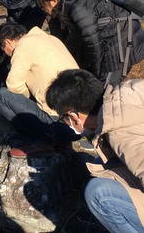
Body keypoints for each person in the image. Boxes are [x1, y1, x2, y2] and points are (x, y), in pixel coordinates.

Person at [46, 69, 144, 233]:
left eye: (63, 118)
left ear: (73, 115)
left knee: (99, 193)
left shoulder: (121, 133)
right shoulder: (128, 93)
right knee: (102, 166)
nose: (66, 124)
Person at [34, 0, 144, 87]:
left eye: (44, 7)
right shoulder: (72, 1)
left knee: (106, 88)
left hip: (121, 40)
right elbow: (76, 37)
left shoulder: (77, 9)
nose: (44, 11)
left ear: (53, 1)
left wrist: (95, 76)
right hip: (117, 35)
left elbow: (94, 45)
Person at [0, 22, 80, 157]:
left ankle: (43, 141)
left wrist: (28, 95)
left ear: (8, 42)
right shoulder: (52, 39)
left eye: (5, 50)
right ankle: (62, 142)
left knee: (1, 95)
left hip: (56, 125)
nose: (9, 55)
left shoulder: (23, 46)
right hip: (80, 124)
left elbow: (14, 85)